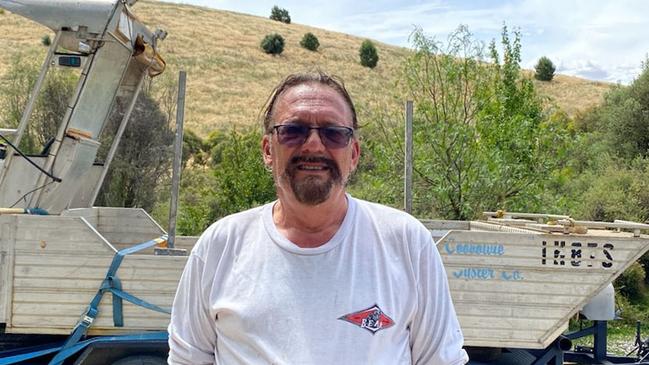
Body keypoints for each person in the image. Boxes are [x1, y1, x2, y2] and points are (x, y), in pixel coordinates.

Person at [168, 72, 469, 365]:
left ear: (353, 154)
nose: (313, 144)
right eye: (293, 130)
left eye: (333, 133)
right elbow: (187, 359)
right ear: (267, 150)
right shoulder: (221, 246)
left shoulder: (406, 242)